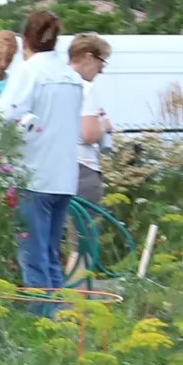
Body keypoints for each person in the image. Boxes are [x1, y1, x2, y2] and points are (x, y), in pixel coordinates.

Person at [0, 7, 96, 306]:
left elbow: (7, 115)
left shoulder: (30, 72)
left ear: (25, 39)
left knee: (33, 260)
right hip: (63, 178)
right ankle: (59, 321)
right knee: (50, 256)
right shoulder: (71, 77)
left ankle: (43, 325)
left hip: (32, 177)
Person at [69, 33, 116, 223]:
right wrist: (103, 125)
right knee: (84, 237)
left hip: (55, 169)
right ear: (88, 57)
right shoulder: (85, 88)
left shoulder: (54, 82)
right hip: (83, 169)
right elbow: (89, 134)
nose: (100, 70)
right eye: (101, 63)